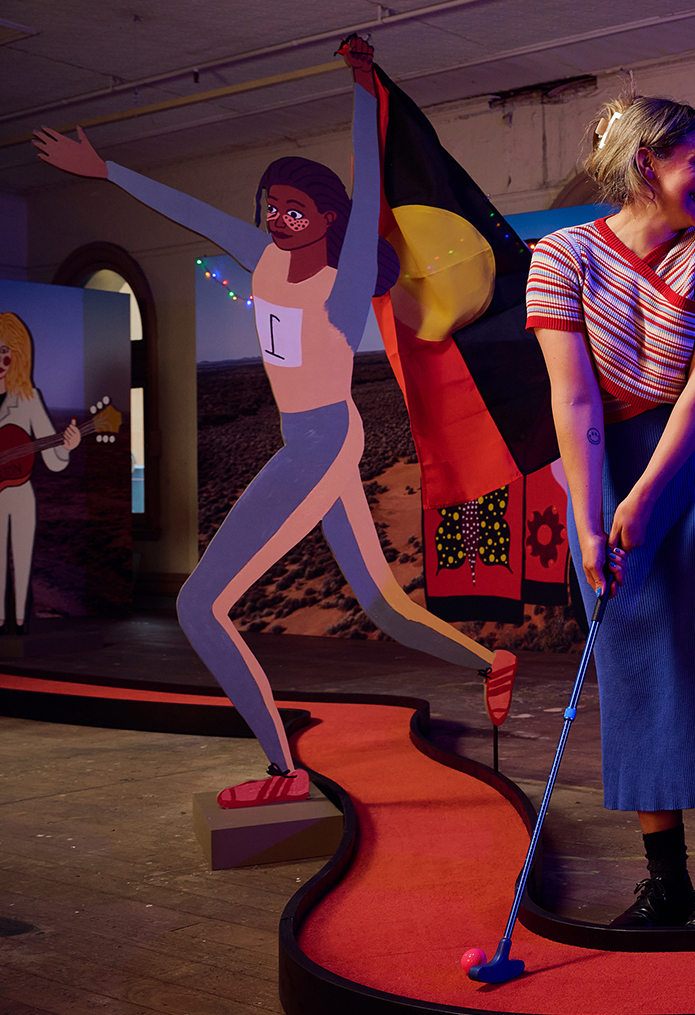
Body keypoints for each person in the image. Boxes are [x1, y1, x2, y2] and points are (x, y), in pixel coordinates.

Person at [32, 38, 517, 810]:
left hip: (322, 438)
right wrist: (108, 172)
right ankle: (490, 663)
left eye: (296, 209)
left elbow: (367, 178)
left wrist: (363, 89)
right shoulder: (262, 258)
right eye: (273, 208)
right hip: (312, 437)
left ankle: (284, 770)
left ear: (329, 219)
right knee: (382, 603)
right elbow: (190, 212)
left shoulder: (342, 281)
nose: (279, 219)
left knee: (197, 605)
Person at [526, 94, 695, 928]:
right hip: (607, 467)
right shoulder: (560, 256)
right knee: (631, 661)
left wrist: (646, 492)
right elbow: (574, 398)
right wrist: (589, 519)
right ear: (644, 163)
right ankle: (664, 881)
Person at [0, 312, 81, 633]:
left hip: (20, 493)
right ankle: (0, 622)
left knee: (23, 559)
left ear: (18, 356)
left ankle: (20, 623)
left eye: (5, 352)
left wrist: (67, 447)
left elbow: (52, 459)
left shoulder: (29, 397)